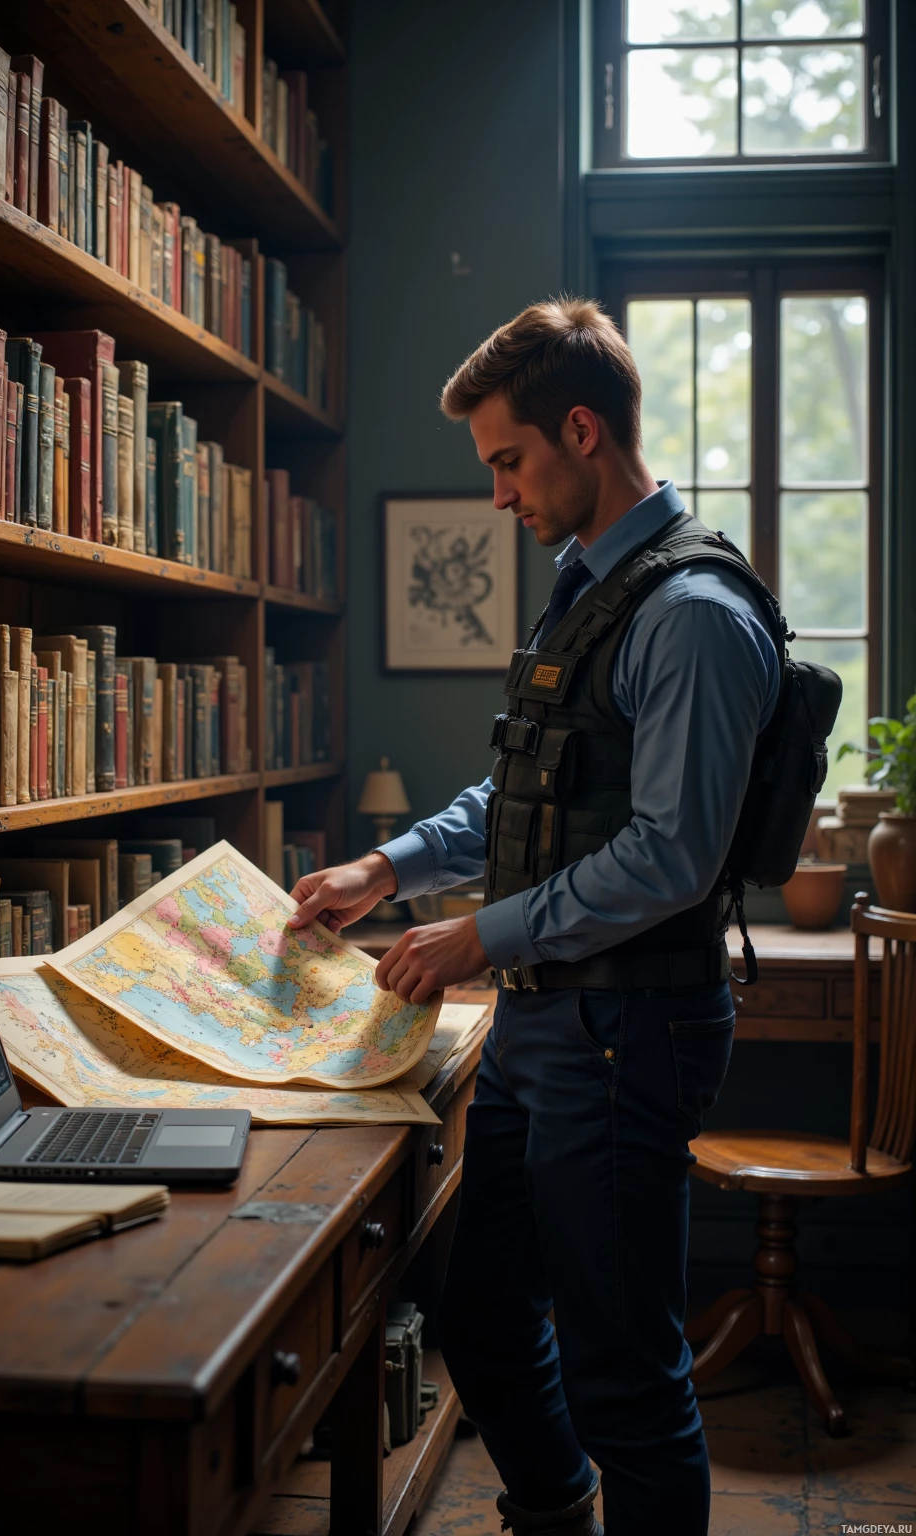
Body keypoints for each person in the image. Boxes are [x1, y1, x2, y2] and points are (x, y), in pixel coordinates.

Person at [288, 297, 781, 1536]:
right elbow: (520, 796)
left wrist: (479, 935)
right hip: (545, 1030)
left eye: (507, 462)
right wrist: (388, 870)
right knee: (484, 1321)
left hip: (627, 1034)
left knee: (625, 1374)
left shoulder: (693, 618)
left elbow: (670, 855)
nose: (498, 494)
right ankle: (558, 1514)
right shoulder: (584, 587)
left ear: (580, 430)